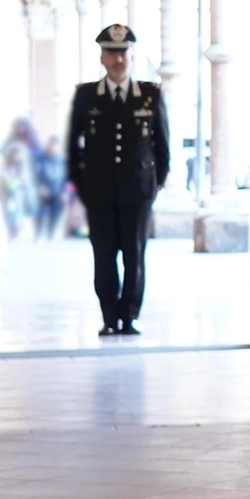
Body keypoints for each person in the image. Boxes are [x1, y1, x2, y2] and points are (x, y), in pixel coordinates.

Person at [67, 24, 170, 336]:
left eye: (123, 52)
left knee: (135, 255)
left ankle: (130, 315)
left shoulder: (150, 95)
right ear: (102, 57)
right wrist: (80, 187)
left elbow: (162, 146)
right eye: (112, 53)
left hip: (138, 192)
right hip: (98, 192)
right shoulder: (87, 96)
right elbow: (73, 146)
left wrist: (155, 185)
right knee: (104, 255)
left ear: (132, 56)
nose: (118, 59)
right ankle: (109, 316)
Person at [34, 136, 69, 240]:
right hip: (44, 192)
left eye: (55, 146)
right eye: (51, 145)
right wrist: (40, 187)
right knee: (40, 214)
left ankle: (51, 234)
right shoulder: (41, 160)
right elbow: (35, 176)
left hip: (58, 192)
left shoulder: (63, 161)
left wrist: (65, 192)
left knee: (55, 215)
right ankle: (38, 234)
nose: (53, 148)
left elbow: (67, 179)